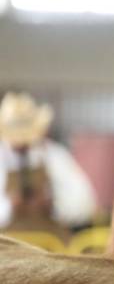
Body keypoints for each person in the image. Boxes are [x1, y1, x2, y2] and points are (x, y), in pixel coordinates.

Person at [0, 92, 97, 232]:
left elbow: (85, 204)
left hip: (50, 246)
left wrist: (53, 207)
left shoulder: (55, 156)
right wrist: (10, 208)